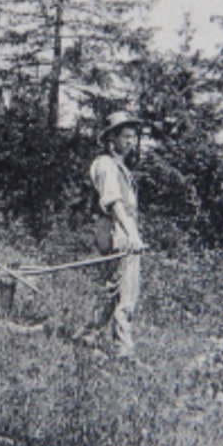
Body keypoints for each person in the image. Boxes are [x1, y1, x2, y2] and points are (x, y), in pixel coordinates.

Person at [86, 110, 147, 361]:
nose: (131, 142)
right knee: (125, 292)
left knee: (113, 290)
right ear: (112, 138)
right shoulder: (105, 165)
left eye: (134, 137)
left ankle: (88, 335)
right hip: (116, 233)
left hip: (121, 231)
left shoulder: (120, 167)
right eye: (126, 136)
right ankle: (124, 351)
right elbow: (113, 202)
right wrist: (132, 234)